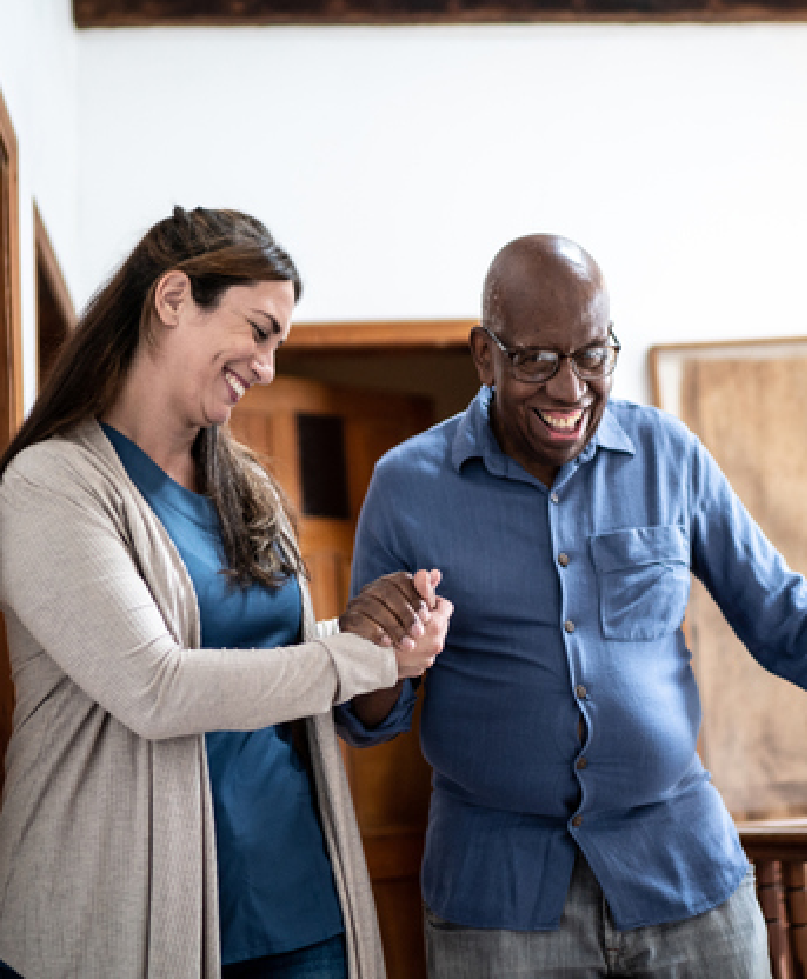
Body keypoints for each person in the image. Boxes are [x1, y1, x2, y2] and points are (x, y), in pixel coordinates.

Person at [0, 206, 452, 979]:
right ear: (173, 298)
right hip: (120, 919)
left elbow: (288, 661)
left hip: (298, 903)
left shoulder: (247, 493)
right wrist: (353, 660)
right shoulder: (51, 485)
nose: (268, 366)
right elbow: (155, 685)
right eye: (259, 329)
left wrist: (382, 640)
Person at [342, 233, 807, 977]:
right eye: (536, 360)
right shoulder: (406, 485)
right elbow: (371, 719)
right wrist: (372, 650)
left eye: (592, 355)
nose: (569, 389)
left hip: (685, 880)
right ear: (483, 354)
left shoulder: (669, 455)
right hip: (497, 901)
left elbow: (783, 617)